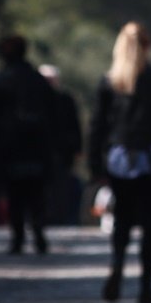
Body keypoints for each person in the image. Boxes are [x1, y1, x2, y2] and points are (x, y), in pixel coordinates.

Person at [89, 23, 151, 303]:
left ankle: (117, 266)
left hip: (119, 161)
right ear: (148, 47)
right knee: (150, 225)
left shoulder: (109, 83)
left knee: (122, 221)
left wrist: (96, 166)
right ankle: (146, 287)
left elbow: (97, 127)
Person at [0, 35, 61, 255]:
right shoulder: (38, 81)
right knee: (36, 194)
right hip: (37, 149)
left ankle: (18, 237)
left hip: (10, 149)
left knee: (14, 194)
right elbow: (55, 117)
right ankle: (38, 232)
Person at [40, 64, 84, 227]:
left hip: (62, 151)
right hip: (40, 151)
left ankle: (60, 217)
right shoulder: (34, 100)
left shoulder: (66, 100)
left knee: (62, 184)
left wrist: (78, 148)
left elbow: (74, 125)